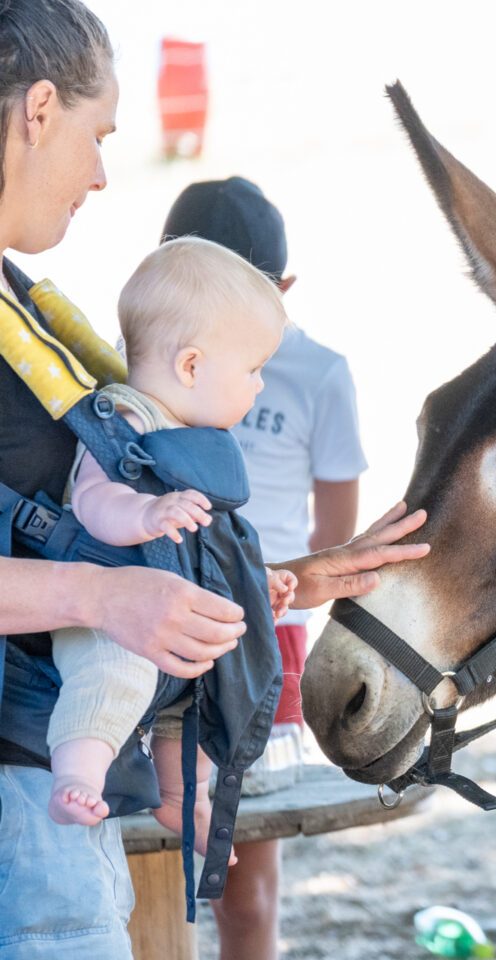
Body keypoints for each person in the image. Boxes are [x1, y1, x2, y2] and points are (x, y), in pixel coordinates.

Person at [0, 4, 427, 955]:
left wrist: (287, 579)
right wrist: (101, 597)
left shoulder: (21, 305)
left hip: (47, 789)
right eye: (97, 134)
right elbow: (86, 561)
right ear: (36, 112)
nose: (106, 173)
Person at [159, 175, 369, 960]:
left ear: (283, 291)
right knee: (152, 848)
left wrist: (295, 601)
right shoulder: (139, 361)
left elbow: (338, 522)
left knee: (241, 880)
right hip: (152, 618)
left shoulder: (317, 372)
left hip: (267, 627)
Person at [45, 236, 292, 848]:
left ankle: (185, 798)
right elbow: (92, 501)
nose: (260, 386)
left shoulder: (195, 437)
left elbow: (214, 548)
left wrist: (255, 589)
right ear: (190, 366)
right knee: (113, 677)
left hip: (171, 618)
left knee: (210, 685)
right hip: (110, 621)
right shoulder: (127, 420)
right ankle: (76, 777)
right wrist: (146, 512)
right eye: (253, 369)